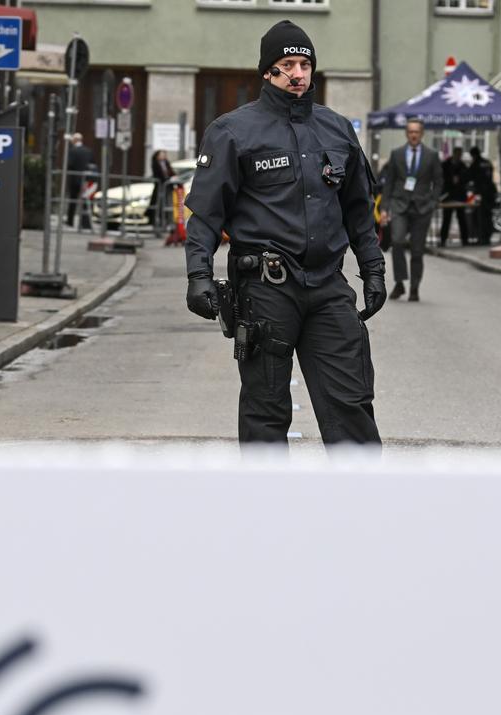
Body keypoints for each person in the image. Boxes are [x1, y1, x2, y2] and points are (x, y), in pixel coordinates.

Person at [183, 20, 387, 448]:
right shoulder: (233, 131)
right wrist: (198, 276)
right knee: (266, 407)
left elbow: (358, 211)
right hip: (266, 288)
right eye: (286, 64)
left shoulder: (336, 129)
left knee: (350, 400)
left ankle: (366, 505)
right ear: (267, 73)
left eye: (304, 64)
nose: (298, 73)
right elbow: (204, 216)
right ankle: (267, 509)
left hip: (328, 287)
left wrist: (373, 270)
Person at [378, 118, 442, 301]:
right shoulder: (397, 154)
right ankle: (400, 283)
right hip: (399, 205)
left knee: (417, 250)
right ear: (407, 133)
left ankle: (414, 287)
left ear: (421, 134)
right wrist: (384, 208)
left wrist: (432, 202)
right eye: (410, 132)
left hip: (422, 208)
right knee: (397, 242)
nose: (413, 135)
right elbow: (389, 183)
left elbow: (438, 182)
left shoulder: (432, 155)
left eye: (417, 132)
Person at [439, 146, 470, 248]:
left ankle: (465, 240)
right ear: (454, 154)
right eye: (457, 154)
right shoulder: (445, 164)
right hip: (448, 195)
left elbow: (466, 178)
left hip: (459, 195)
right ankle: (443, 239)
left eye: (460, 154)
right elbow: (440, 177)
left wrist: (460, 179)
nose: (458, 156)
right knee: (446, 219)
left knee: (462, 218)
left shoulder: (462, 166)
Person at [466, 146, 497, 245]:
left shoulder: (476, 164)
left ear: (473, 155)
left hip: (481, 193)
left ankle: (481, 238)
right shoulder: (487, 162)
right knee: (488, 216)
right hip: (491, 193)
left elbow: (468, 176)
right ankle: (487, 237)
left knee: (479, 216)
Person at [65, 133, 94, 229]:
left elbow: (69, 165)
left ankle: (70, 221)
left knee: (72, 201)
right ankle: (85, 223)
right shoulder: (88, 151)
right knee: (85, 201)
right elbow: (92, 164)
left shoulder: (72, 151)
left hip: (75, 179)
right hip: (86, 180)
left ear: (75, 140)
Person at [149, 149, 175, 229]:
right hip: (160, 186)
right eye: (161, 155)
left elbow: (171, 171)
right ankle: (156, 221)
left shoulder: (166, 162)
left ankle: (167, 221)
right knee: (158, 204)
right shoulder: (155, 163)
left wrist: (172, 177)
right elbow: (157, 174)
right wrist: (166, 179)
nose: (163, 156)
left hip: (167, 186)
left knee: (167, 203)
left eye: (164, 155)